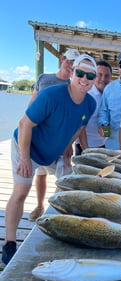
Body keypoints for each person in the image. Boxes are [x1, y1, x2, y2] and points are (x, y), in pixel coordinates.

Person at [2, 54, 97, 265]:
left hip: (53, 152)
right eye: (80, 73)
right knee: (21, 191)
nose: (84, 78)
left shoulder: (90, 103)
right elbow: (25, 124)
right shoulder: (51, 94)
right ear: (72, 73)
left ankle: (51, 229)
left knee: (67, 188)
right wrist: (25, 159)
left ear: (94, 79)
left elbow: (80, 126)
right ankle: (9, 242)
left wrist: (67, 147)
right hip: (27, 146)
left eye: (90, 75)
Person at [28, 48, 80, 221]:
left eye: (75, 63)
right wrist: (25, 128)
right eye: (69, 60)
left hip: (58, 139)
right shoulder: (44, 78)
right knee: (40, 174)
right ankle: (39, 206)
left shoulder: (74, 87)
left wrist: (70, 144)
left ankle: (52, 210)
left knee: (65, 176)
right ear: (62, 59)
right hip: (38, 137)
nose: (71, 65)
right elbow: (31, 104)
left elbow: (74, 119)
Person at [75, 60, 112, 155]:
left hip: (104, 146)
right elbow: (80, 124)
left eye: (107, 76)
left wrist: (107, 132)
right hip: (85, 146)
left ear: (111, 78)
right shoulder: (86, 95)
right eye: (100, 75)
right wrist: (86, 150)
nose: (103, 79)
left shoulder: (111, 95)